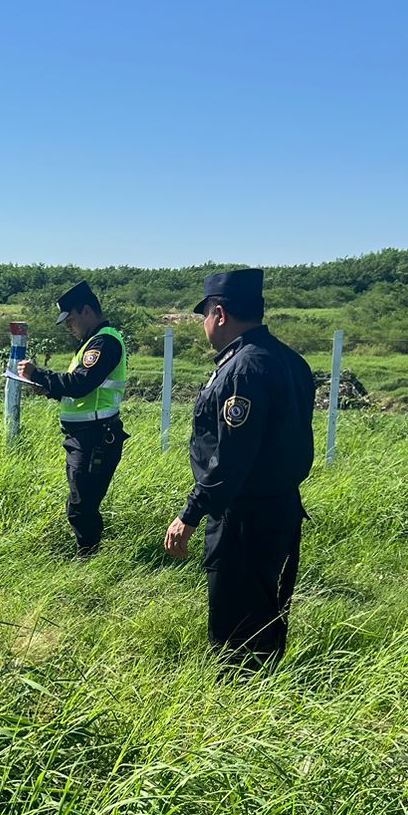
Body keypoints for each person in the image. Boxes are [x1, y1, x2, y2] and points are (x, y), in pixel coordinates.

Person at [162, 269, 315, 667]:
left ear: (220, 312)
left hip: (244, 515)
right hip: (280, 508)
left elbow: (232, 456)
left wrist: (191, 513)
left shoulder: (242, 369)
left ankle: (237, 704)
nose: (206, 325)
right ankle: (262, 695)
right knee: (266, 611)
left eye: (206, 315)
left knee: (236, 626)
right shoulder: (290, 361)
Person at [15, 281, 129, 555]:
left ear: (87, 311)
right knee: (82, 503)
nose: (68, 326)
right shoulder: (92, 342)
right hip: (86, 436)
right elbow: (80, 393)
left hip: (96, 437)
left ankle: (88, 560)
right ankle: (89, 554)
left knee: (81, 506)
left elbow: (81, 383)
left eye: (70, 319)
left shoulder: (104, 342)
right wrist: (50, 389)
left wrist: (39, 375)